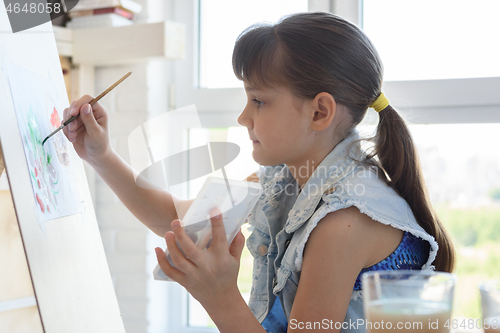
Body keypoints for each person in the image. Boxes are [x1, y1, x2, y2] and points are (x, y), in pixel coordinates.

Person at [63, 12, 455, 333]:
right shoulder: (290, 177)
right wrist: (101, 155)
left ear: (320, 112)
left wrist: (219, 297)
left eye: (259, 101)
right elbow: (179, 218)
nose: (243, 116)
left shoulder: (343, 224)